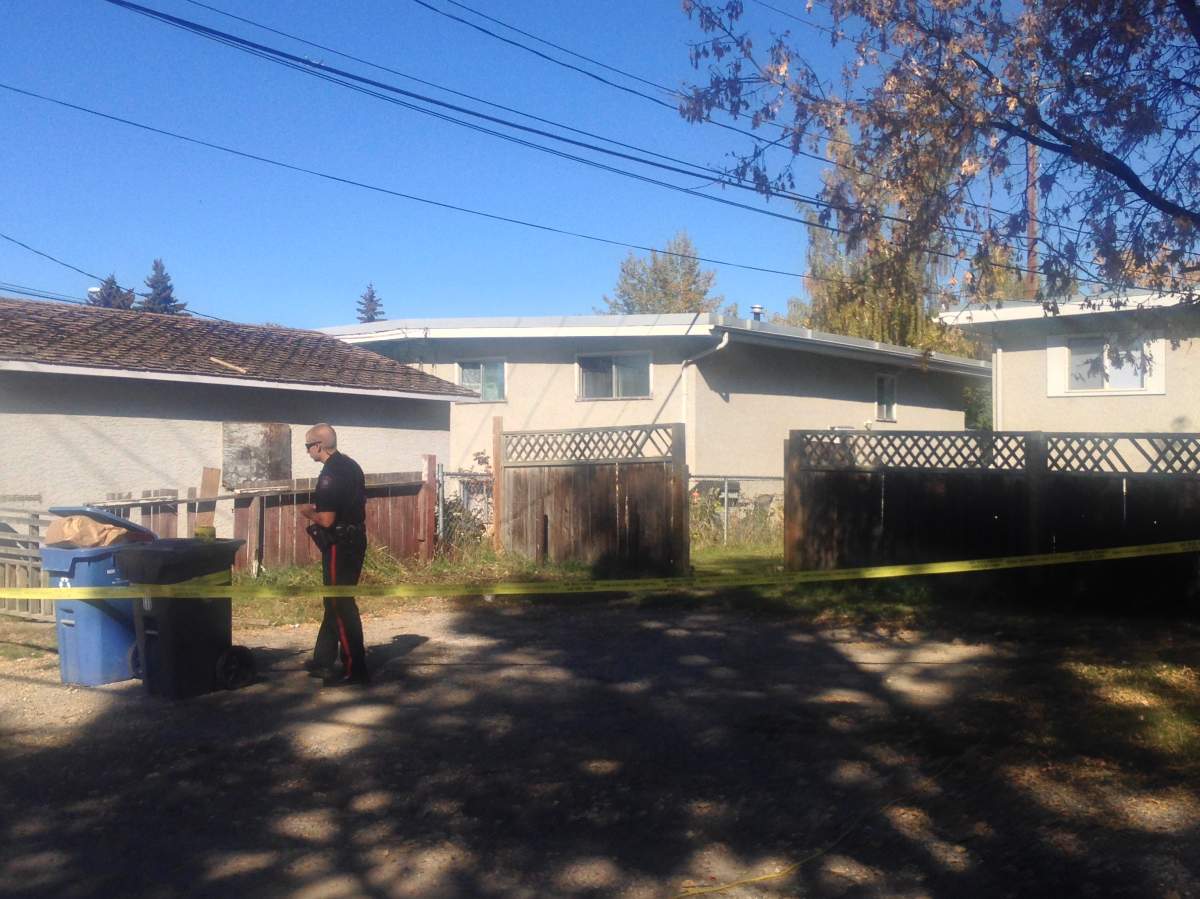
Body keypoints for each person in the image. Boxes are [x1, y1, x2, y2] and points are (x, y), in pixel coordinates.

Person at [299, 423, 370, 686]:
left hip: (339, 543)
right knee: (334, 600)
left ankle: (356, 669)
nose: (307, 452)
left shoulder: (328, 476)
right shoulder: (351, 466)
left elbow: (326, 520)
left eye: (308, 446)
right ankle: (322, 661)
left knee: (341, 603)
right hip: (356, 539)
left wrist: (308, 513)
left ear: (318, 445)